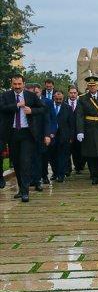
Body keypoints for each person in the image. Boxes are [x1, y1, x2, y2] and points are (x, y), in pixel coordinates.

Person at [1, 74, 45, 202]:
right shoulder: (6, 95)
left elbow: (42, 108)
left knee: (25, 161)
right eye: (15, 84)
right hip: (13, 133)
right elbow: (2, 108)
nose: (17, 87)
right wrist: (17, 105)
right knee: (17, 163)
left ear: (23, 84)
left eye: (19, 84)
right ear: (11, 84)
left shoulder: (31, 96)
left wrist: (31, 111)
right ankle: (21, 189)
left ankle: (26, 192)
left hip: (27, 133)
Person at [48, 90, 75, 183]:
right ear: (53, 98)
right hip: (52, 135)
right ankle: (55, 173)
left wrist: (71, 136)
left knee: (62, 156)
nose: (58, 100)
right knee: (52, 156)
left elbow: (72, 123)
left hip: (64, 136)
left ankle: (61, 174)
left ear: (63, 98)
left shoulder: (68, 108)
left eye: (60, 99)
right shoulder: (49, 107)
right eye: (57, 99)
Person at [66, 85, 84, 176]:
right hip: (67, 131)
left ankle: (78, 167)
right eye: (71, 93)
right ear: (68, 93)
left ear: (77, 93)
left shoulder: (81, 103)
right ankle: (67, 169)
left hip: (78, 131)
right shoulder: (64, 103)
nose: (73, 95)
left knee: (78, 150)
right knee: (67, 150)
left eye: (74, 93)